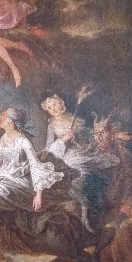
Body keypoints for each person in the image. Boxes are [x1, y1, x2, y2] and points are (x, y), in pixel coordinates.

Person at [41, 94, 119, 232]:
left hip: (83, 151)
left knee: (96, 169)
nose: (53, 109)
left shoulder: (74, 118)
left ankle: (97, 209)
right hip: (66, 155)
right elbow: (48, 148)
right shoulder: (52, 125)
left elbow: (89, 136)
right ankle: (85, 212)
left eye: (55, 105)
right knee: (79, 175)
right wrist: (63, 140)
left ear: (61, 104)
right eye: (50, 108)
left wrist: (79, 138)